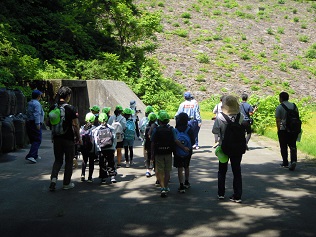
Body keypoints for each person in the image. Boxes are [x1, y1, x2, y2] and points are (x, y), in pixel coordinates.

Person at [212, 95, 244, 203]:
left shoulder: (220, 117)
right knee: (237, 171)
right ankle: (237, 195)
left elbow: (215, 131)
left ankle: (221, 193)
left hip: (224, 147)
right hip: (237, 147)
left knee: (222, 170)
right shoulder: (241, 116)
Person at [49, 86, 81, 191]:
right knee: (68, 161)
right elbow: (75, 125)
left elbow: (49, 123)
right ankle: (66, 183)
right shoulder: (71, 108)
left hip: (56, 138)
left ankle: (53, 180)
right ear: (68, 96)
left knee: (58, 160)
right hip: (68, 139)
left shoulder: (53, 107)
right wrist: (79, 137)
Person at [151, 111, 188, 197]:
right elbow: (176, 140)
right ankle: (166, 186)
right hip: (168, 152)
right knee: (167, 170)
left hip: (158, 153)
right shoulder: (171, 129)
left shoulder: (156, 130)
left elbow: (152, 142)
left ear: (159, 120)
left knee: (160, 171)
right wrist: (184, 147)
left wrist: (152, 154)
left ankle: (162, 187)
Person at [275, 92, 300, 171]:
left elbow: (278, 120)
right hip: (293, 129)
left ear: (281, 98)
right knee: (293, 145)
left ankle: (285, 162)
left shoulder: (279, 107)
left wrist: (278, 129)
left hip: (283, 129)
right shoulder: (294, 106)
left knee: (283, 146)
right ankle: (293, 161)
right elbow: (297, 117)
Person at [94, 113, 117, 184]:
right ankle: (112, 176)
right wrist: (113, 147)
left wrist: (98, 149)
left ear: (99, 120)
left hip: (101, 149)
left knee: (102, 163)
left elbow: (96, 141)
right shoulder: (111, 128)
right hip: (110, 148)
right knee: (111, 162)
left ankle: (103, 178)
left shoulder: (97, 129)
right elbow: (114, 138)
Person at [174, 112, 194, 193]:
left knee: (179, 167)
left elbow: (174, 141)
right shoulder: (189, 129)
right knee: (186, 166)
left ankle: (181, 184)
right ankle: (186, 181)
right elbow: (192, 141)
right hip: (187, 150)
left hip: (178, 151)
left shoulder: (175, 130)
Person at [25, 89, 45, 164]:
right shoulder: (37, 104)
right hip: (35, 123)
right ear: (38, 96)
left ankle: (35, 155)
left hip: (30, 122)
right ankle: (31, 155)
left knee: (34, 139)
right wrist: (38, 124)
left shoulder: (30, 102)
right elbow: (37, 114)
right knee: (37, 139)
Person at [79, 112, 97, 182]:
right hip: (91, 148)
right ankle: (90, 177)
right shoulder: (94, 128)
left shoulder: (82, 128)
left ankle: (82, 174)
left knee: (84, 160)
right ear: (93, 120)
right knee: (91, 162)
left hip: (84, 147)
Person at [143, 112, 157, 177]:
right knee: (155, 157)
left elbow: (145, 137)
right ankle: (155, 169)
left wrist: (145, 146)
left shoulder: (147, 127)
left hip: (148, 144)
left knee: (148, 157)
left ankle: (148, 171)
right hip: (155, 145)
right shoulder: (157, 127)